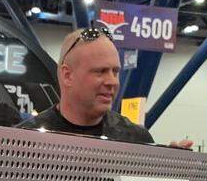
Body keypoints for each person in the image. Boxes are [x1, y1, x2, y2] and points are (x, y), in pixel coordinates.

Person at [20, 26, 153, 143]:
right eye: (101, 71)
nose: (112, 81)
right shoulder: (25, 141)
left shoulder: (136, 141)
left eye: (115, 72)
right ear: (67, 75)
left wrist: (170, 167)